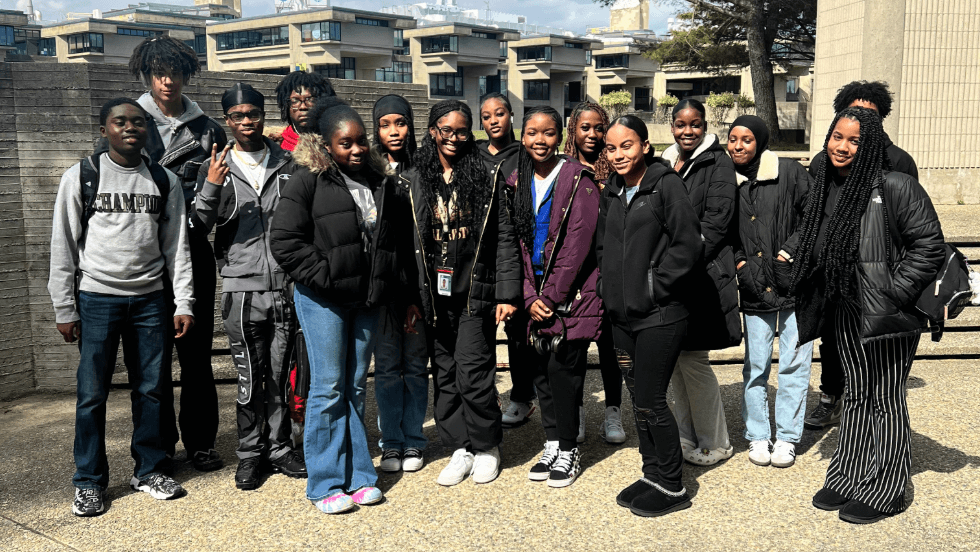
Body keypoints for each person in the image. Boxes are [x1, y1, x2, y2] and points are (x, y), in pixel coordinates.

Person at [783, 107, 943, 524]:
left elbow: (929, 248)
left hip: (887, 317)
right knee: (856, 393)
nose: (842, 146)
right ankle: (850, 474)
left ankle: (889, 487)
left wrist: (893, 293)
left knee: (885, 397)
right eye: (838, 136)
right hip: (844, 311)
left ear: (869, 145)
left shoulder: (895, 186)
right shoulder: (825, 185)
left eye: (854, 140)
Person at [49, 98, 194, 516]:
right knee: (91, 395)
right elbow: (63, 245)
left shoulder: (164, 181)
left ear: (147, 130)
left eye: (137, 122)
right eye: (119, 122)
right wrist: (64, 307)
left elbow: (177, 249)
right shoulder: (83, 176)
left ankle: (149, 470)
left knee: (152, 390)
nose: (129, 127)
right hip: (96, 299)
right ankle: (89, 481)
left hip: (151, 300)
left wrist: (183, 301)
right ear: (103, 129)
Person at [270, 97, 405, 514]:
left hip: (364, 300)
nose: (357, 149)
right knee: (327, 389)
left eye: (361, 141)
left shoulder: (380, 181)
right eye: (345, 144)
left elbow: (389, 243)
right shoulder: (307, 180)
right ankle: (325, 482)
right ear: (327, 145)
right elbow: (284, 243)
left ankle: (360, 476)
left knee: (355, 387)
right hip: (324, 300)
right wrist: (327, 276)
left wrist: (381, 285)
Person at [400, 100, 521, 487]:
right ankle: (459, 447)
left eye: (462, 131)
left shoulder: (488, 173)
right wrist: (409, 297)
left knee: (473, 371)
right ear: (433, 130)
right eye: (446, 130)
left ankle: (487, 447)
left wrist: (506, 293)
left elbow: (505, 238)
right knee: (446, 374)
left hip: (474, 292)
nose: (454, 138)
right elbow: (404, 244)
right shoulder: (415, 175)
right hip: (433, 295)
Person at [195, 84, 307, 491]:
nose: (246, 122)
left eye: (253, 114)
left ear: (263, 116)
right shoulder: (219, 165)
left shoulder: (288, 162)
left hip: (285, 286)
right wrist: (210, 184)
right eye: (238, 116)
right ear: (227, 120)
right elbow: (198, 227)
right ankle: (249, 454)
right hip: (241, 289)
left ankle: (278, 449)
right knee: (248, 378)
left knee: (280, 374)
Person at [128, 36, 227, 472]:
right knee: (152, 362)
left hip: (194, 250)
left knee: (197, 356)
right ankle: (159, 448)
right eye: (159, 73)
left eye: (176, 73)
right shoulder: (130, 122)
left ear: (188, 74)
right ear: (147, 74)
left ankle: (201, 442)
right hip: (144, 257)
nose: (168, 82)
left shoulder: (208, 129)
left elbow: (222, 195)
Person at [597, 115, 702, 517]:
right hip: (622, 318)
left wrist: (654, 286)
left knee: (651, 398)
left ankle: (673, 485)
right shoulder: (612, 192)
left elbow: (688, 245)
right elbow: (604, 250)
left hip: (661, 314)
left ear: (644, 145)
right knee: (636, 398)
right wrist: (609, 290)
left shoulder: (665, 185)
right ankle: (651, 473)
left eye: (627, 145)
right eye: (612, 147)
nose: (619, 154)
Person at [804, 80, 919, 431]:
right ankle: (832, 395)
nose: (857, 120)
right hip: (835, 276)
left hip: (877, 277)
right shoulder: (823, 162)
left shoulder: (898, 162)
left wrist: (892, 287)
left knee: (874, 365)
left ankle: (870, 411)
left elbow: (914, 228)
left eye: (867, 116)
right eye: (850, 113)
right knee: (833, 341)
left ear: (879, 119)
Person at [507, 106, 602, 487]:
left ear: (559, 134)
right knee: (541, 376)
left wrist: (550, 295)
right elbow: (513, 242)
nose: (539, 141)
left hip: (571, 295)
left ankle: (569, 448)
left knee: (565, 374)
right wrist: (529, 297)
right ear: (523, 135)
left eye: (547, 133)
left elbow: (578, 243)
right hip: (534, 295)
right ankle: (551, 442)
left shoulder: (580, 179)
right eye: (532, 133)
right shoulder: (516, 179)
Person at [729, 115, 813, 469]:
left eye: (746, 139)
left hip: (793, 281)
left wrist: (788, 252)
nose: (737, 146)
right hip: (754, 286)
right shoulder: (726, 179)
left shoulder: (790, 172)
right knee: (756, 365)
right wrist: (739, 264)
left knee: (795, 364)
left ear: (760, 142)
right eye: (732, 139)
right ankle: (758, 435)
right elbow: (721, 226)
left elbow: (814, 216)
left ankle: (789, 437)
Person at [659, 99, 739, 466]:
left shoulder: (717, 161)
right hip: (671, 276)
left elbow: (717, 223)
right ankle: (686, 436)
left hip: (700, 275)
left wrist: (677, 262)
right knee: (675, 360)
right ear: (671, 125)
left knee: (694, 361)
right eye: (680, 124)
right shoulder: (664, 162)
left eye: (695, 124)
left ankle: (717, 441)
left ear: (705, 126)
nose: (687, 131)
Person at [370, 94, 429, 473]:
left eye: (401, 122)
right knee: (389, 366)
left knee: (416, 365)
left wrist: (416, 294)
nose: (394, 131)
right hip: (382, 288)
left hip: (418, 287)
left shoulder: (424, 168)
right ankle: (391, 441)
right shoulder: (368, 168)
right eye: (385, 124)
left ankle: (415, 440)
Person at [563, 101, 626, 445]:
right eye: (584, 127)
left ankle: (613, 411)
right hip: (574, 273)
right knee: (573, 348)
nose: (592, 134)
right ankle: (577, 411)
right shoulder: (563, 169)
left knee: (609, 346)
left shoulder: (615, 169)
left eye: (598, 127)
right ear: (573, 130)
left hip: (609, 269)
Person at [475, 93, 533, 428]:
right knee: (481, 331)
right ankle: (487, 396)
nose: (493, 120)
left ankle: (522, 397)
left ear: (511, 115)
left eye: (499, 113)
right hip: (482, 252)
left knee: (517, 331)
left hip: (515, 248)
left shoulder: (522, 154)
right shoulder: (475, 154)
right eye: (486, 116)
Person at [268, 71, 336, 152]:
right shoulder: (274, 147)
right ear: (286, 105)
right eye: (295, 100)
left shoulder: (336, 142)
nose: (303, 107)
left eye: (310, 99)